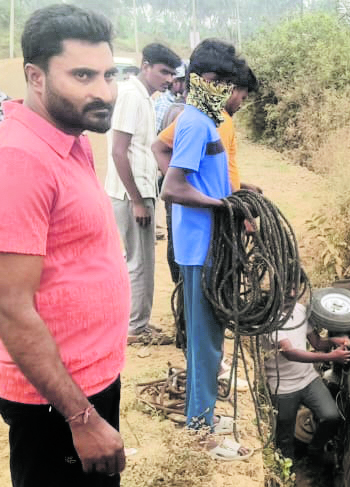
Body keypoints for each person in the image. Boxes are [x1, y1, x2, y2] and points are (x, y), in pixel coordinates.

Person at [0, 5, 128, 487]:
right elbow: (8, 306)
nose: (102, 90)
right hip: (57, 402)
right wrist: (81, 417)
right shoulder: (17, 161)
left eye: (108, 74)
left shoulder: (70, 139)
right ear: (36, 77)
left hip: (87, 385)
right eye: (82, 75)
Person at [159, 38, 251, 460]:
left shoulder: (209, 120)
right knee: (204, 342)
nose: (228, 90)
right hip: (200, 247)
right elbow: (173, 188)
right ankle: (200, 430)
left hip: (212, 245)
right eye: (222, 81)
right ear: (203, 80)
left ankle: (205, 415)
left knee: (210, 336)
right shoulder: (196, 123)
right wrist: (223, 206)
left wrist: (238, 193)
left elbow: (203, 177)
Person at [152, 62, 256, 286]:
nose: (241, 104)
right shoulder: (212, 122)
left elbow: (159, 146)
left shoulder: (199, 117)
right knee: (207, 285)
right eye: (242, 97)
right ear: (232, 89)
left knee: (191, 282)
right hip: (206, 227)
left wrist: (242, 187)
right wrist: (241, 212)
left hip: (194, 220)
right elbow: (170, 173)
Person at [105, 42, 180, 346]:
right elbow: (118, 151)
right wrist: (137, 200)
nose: (168, 79)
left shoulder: (146, 98)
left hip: (141, 190)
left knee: (140, 261)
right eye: (163, 72)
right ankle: (137, 328)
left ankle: (136, 321)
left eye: (171, 74)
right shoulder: (131, 96)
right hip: (131, 195)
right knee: (140, 262)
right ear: (145, 66)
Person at [261, 302, 350, 459]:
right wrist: (331, 357)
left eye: (294, 289)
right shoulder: (270, 318)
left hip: (308, 378)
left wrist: (334, 341)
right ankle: (288, 468)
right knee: (284, 436)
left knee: (331, 416)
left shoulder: (300, 309)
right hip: (283, 386)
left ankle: (314, 451)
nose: (292, 292)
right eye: (287, 289)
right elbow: (290, 353)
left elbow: (317, 343)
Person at [153, 63, 187, 134]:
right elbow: (154, 132)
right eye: (185, 82)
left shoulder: (173, 101)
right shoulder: (164, 104)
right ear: (175, 83)